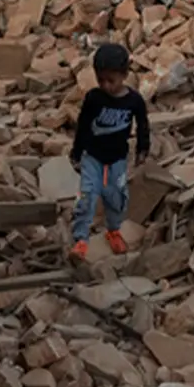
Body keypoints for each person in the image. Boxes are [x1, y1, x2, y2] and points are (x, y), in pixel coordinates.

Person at [68, 42, 150, 259]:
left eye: (111, 80)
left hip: (117, 160)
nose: (105, 86)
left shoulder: (134, 101)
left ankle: (113, 231)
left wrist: (143, 150)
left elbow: (143, 125)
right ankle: (80, 241)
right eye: (100, 80)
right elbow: (83, 125)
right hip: (92, 158)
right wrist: (76, 153)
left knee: (116, 199)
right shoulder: (94, 99)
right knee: (87, 198)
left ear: (124, 75)